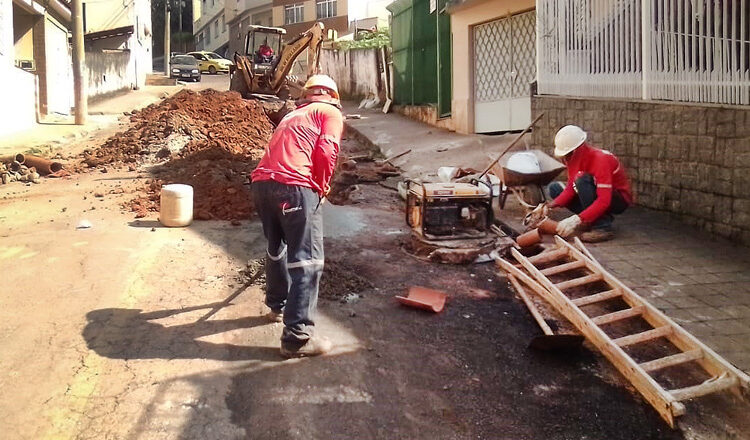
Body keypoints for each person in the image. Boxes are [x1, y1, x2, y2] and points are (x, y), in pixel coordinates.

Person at [250, 74, 343, 358]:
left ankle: (276, 306)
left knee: (276, 249)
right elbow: (327, 150)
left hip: (262, 184)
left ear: (306, 95)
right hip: (294, 186)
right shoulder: (329, 112)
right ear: (334, 96)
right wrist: (322, 185)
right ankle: (297, 338)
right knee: (308, 259)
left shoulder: (292, 116)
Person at [541, 125, 633, 242]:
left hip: (617, 199)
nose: (565, 158)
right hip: (597, 194)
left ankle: (602, 227)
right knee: (555, 188)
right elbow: (570, 189)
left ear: (577, 149)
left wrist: (576, 220)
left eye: (567, 154)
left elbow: (604, 200)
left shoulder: (601, 160)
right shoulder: (572, 160)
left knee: (582, 180)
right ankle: (590, 218)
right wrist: (549, 206)